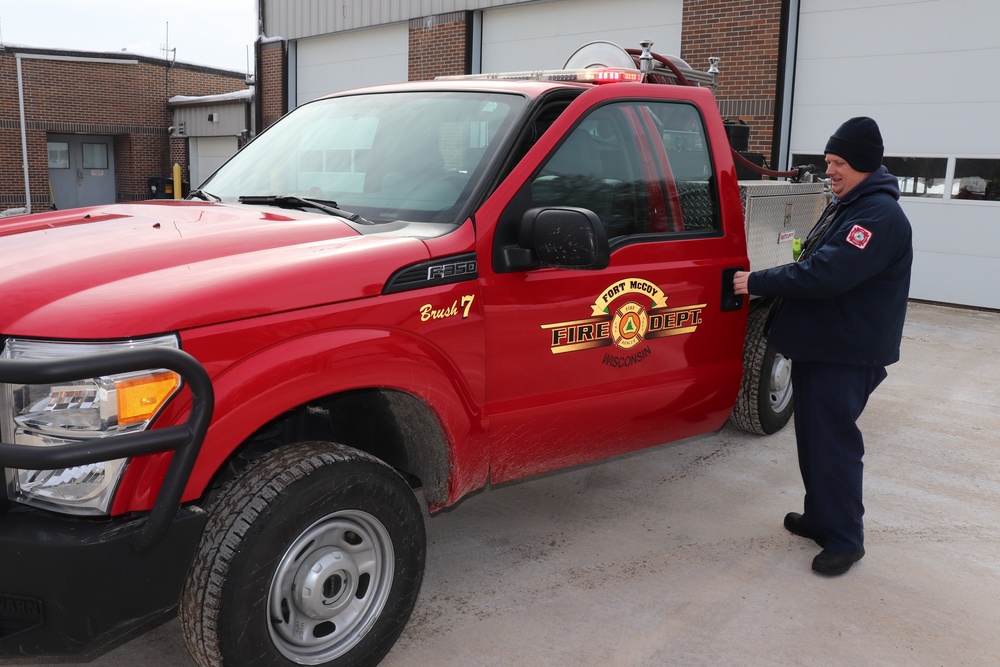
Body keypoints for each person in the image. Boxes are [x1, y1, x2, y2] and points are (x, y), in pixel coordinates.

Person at [733, 117, 913, 575]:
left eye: (840, 163)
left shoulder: (877, 216)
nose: (830, 170)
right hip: (823, 346)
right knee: (813, 441)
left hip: (847, 353)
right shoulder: (848, 203)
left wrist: (754, 281)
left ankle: (847, 539)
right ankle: (821, 518)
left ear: (866, 165)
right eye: (829, 161)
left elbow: (827, 274)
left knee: (834, 446)